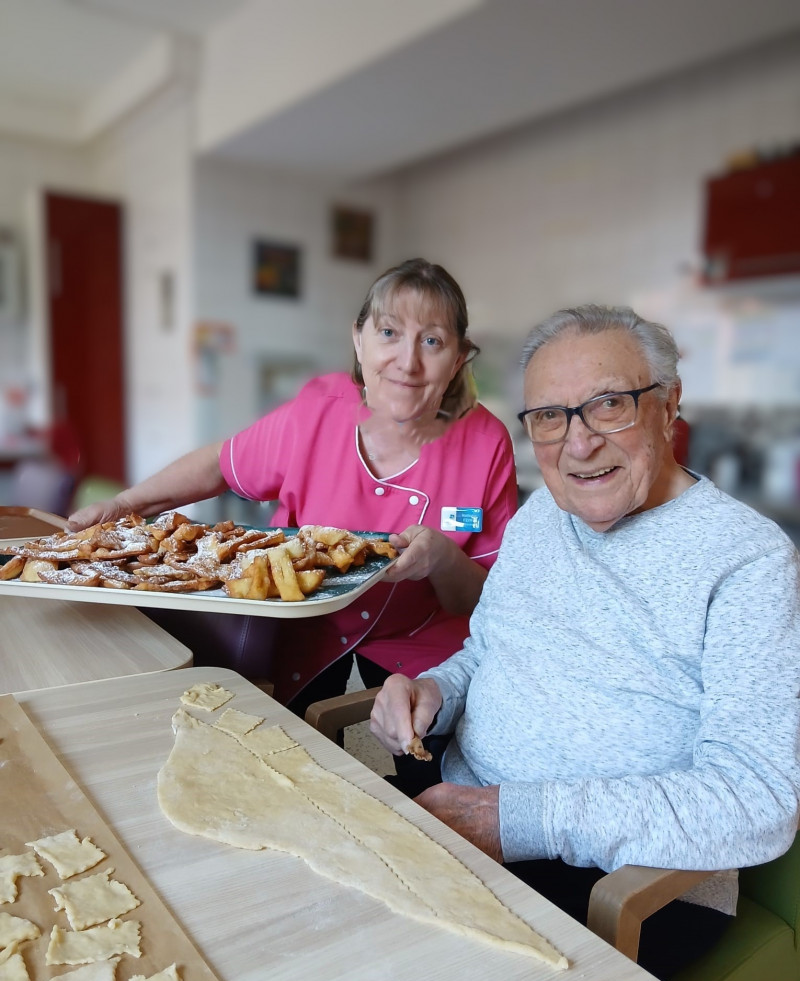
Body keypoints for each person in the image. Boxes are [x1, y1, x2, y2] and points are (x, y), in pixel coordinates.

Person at [369, 303, 800, 980]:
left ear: (668, 405)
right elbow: (486, 650)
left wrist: (514, 819)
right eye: (549, 416)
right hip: (459, 802)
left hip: (619, 886)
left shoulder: (746, 559)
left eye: (607, 405)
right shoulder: (543, 512)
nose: (578, 443)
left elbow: (757, 799)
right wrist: (434, 693)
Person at [67, 258, 518, 730]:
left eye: (432, 340)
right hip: (308, 635)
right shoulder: (318, 411)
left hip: (423, 651)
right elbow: (221, 463)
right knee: (277, 752)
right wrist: (123, 504)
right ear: (358, 339)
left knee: (422, 773)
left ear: (459, 358)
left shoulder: (486, 443)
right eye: (388, 333)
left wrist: (443, 558)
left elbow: (488, 599)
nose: (407, 361)